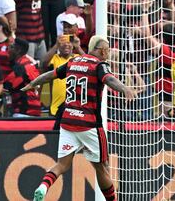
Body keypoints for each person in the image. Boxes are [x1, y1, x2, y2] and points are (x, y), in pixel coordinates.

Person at [22, 35, 137, 201]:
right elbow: (109, 79)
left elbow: (49, 75)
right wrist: (124, 88)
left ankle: (43, 186)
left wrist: (33, 83)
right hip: (89, 124)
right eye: (107, 50)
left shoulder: (72, 62)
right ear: (103, 51)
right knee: (102, 168)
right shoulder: (99, 65)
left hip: (68, 121)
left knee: (62, 164)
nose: (108, 53)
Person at [4, 38, 41, 117]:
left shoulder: (21, 67)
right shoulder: (29, 62)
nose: (8, 50)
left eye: (11, 47)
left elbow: (7, 86)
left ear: (18, 50)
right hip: (35, 109)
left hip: (24, 111)